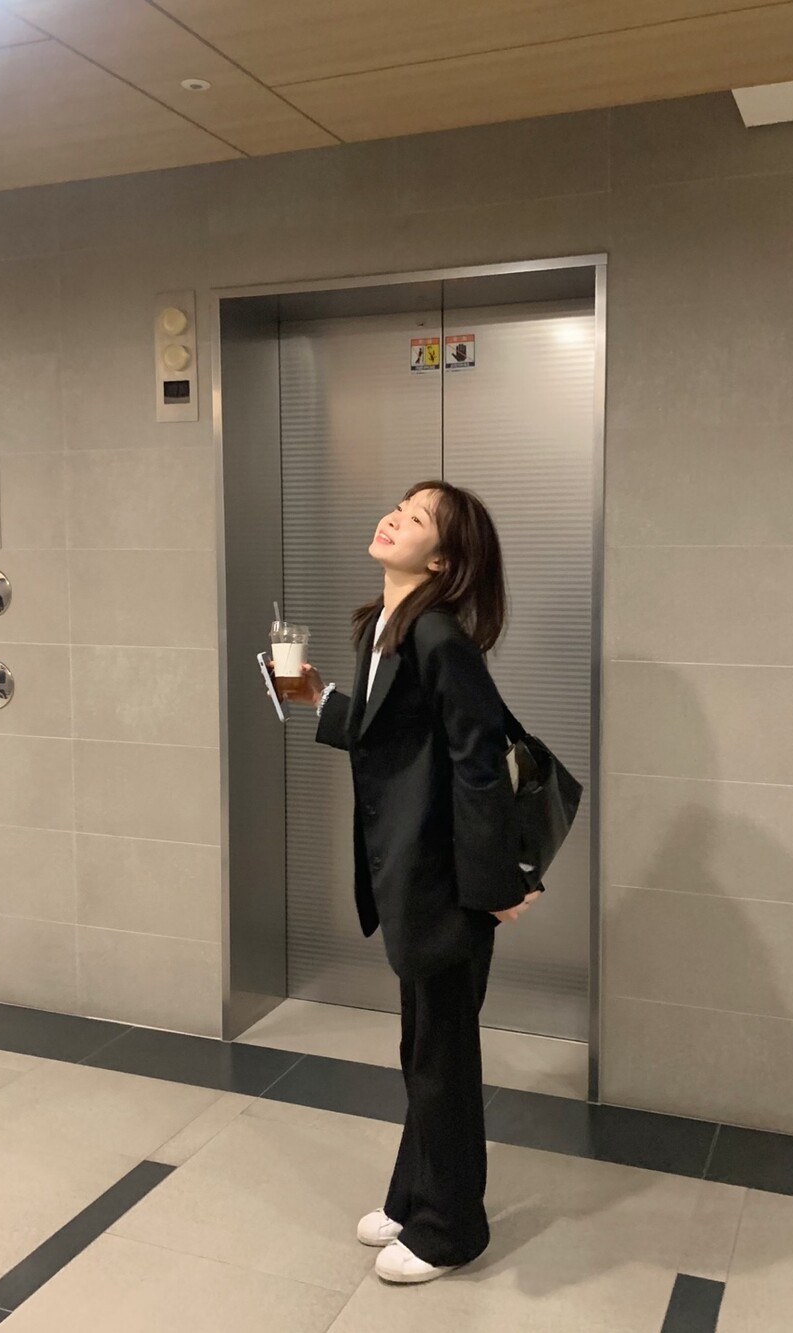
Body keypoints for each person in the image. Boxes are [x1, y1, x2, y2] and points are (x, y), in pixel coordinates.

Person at [293, 479, 540, 1286]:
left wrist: (495, 884)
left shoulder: (438, 636)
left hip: (448, 881)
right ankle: (413, 1198)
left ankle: (451, 1228)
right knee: (424, 1049)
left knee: (442, 1059)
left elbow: (480, 763)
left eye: (418, 516)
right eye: (399, 506)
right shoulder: (386, 627)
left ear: (442, 559)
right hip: (413, 873)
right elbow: (391, 738)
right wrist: (314, 695)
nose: (395, 517)